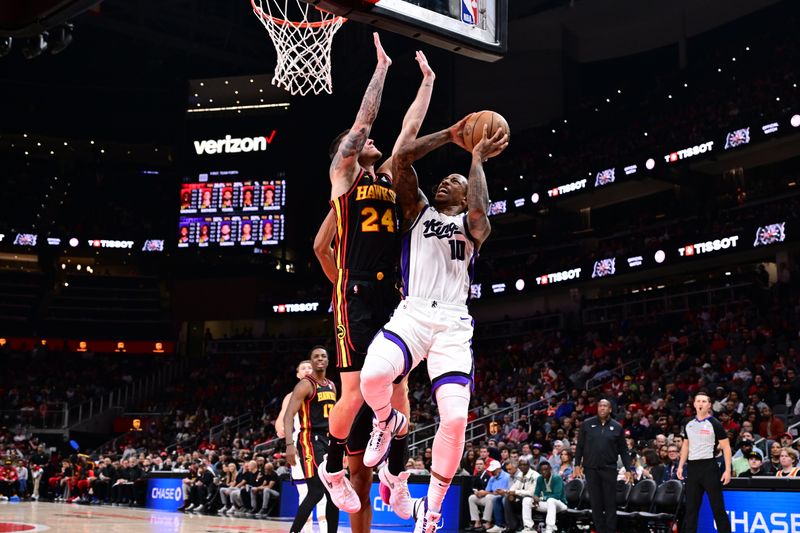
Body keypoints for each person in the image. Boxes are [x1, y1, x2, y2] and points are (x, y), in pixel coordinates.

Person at [359, 115, 507, 533]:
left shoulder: (470, 225)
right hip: (414, 312)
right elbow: (401, 161)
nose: (445, 182)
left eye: (454, 181)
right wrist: (450, 135)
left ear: (464, 194)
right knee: (373, 377)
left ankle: (434, 508)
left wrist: (475, 159)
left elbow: (480, 212)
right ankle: (388, 421)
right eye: (443, 179)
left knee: (456, 420)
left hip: (453, 325)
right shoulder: (418, 210)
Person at [315, 34, 437, 525]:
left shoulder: (387, 176)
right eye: (362, 141)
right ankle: (332, 468)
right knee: (351, 392)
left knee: (402, 389)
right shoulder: (343, 176)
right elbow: (364, 120)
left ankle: (398, 478)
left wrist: (426, 81)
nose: (370, 140)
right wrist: (382, 68)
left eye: (368, 141)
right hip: (356, 289)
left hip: (392, 292)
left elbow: (407, 132)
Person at [284, 347, 340, 533]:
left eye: (323, 356)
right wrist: (289, 445)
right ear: (312, 360)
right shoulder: (305, 385)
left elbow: (337, 417)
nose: (320, 359)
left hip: (329, 440)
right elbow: (288, 415)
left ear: (327, 361)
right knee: (316, 491)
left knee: (334, 493)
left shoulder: (332, 385)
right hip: (310, 440)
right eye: (316, 356)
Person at [276, 360, 328, 533]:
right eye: (303, 368)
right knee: (305, 493)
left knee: (322, 493)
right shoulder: (291, 397)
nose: (307, 370)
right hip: (302, 446)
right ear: (298, 375)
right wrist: (288, 437)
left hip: (320, 445)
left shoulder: (325, 391)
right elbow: (280, 425)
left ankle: (324, 529)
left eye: (310, 368)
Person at [573, 399, 634, 533]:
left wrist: (628, 469)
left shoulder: (617, 427)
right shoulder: (587, 424)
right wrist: (577, 465)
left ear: (610, 410)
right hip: (591, 469)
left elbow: (624, 450)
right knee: (596, 503)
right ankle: (600, 530)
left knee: (610, 503)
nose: (602, 408)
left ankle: (610, 530)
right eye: (600, 406)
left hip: (609, 469)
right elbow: (580, 447)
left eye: (605, 406)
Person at [677, 391, 732, 533]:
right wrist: (681, 465)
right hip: (693, 468)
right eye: (698, 401)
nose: (701, 403)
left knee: (718, 508)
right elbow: (686, 445)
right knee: (691, 510)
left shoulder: (715, 423)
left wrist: (727, 470)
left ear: (709, 405)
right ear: (694, 404)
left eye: (704, 401)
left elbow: (726, 447)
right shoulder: (688, 423)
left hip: (709, 467)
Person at [522, 461, 566, 533]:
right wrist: (535, 498)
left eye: (546, 470)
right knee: (526, 500)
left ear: (550, 469)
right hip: (547, 505)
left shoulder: (556, 478)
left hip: (560, 505)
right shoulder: (540, 478)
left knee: (551, 500)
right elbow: (536, 493)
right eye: (542, 470)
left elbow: (557, 496)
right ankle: (529, 527)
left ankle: (550, 528)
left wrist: (541, 498)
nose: (544, 472)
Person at [503, 458, 539, 532]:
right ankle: (512, 526)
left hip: (533, 499)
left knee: (521, 500)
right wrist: (509, 492)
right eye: (521, 465)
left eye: (525, 465)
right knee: (508, 499)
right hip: (522, 497)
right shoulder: (520, 474)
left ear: (529, 465)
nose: (523, 467)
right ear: (518, 466)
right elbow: (514, 486)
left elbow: (531, 493)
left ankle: (523, 525)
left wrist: (515, 492)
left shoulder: (535, 475)